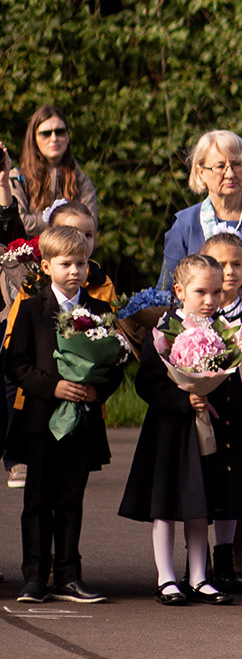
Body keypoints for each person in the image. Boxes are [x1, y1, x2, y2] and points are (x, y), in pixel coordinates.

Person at [122, 253, 242, 604]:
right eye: (201, 292)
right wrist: (185, 401)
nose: (210, 300)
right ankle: (166, 578)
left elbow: (225, 379)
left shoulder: (221, 331)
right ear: (180, 290)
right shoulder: (164, 330)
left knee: (200, 505)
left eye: (216, 292)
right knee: (165, 506)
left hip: (207, 434)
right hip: (170, 433)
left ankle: (200, 576)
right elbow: (148, 383)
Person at [9, 224, 116, 603]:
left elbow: (115, 365)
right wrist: (50, 386)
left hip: (82, 422)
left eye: (82, 263)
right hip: (40, 420)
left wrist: (95, 389)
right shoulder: (32, 308)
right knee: (37, 501)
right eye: (66, 263)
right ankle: (35, 576)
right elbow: (15, 363)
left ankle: (69, 574)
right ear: (47, 265)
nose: (75, 271)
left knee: (71, 499)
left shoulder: (99, 310)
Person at [200, 232, 242, 592]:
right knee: (206, 483)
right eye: (220, 264)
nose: (229, 271)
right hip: (206, 410)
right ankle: (203, 558)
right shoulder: (197, 312)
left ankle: (236, 552)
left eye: (236, 264)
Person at [159, 129, 242, 289]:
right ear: (201, 172)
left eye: (236, 164)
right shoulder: (185, 223)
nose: (230, 174)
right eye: (220, 166)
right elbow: (166, 289)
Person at [6, 104, 98, 236]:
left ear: (67, 136)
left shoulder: (82, 180)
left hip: (71, 254)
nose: (54, 138)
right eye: (46, 133)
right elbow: (20, 223)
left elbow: (90, 228)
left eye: (59, 132)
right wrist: (68, 222)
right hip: (29, 255)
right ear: (34, 139)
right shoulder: (17, 177)